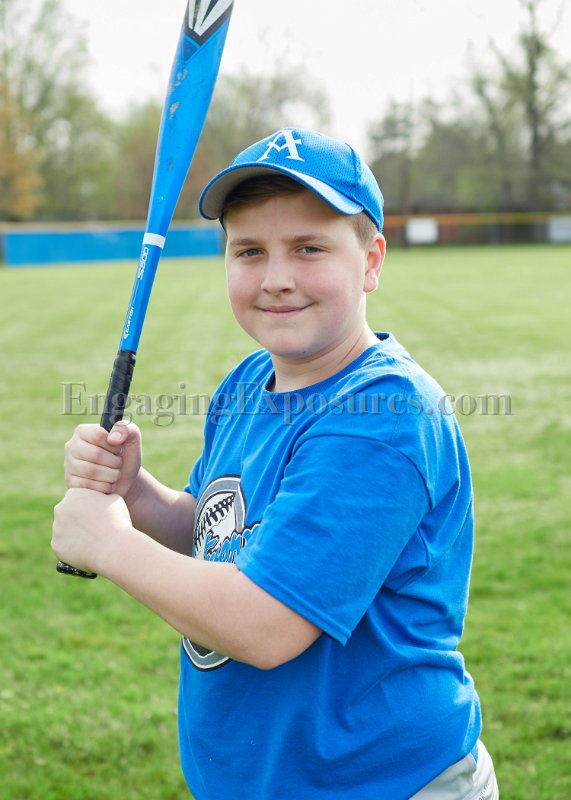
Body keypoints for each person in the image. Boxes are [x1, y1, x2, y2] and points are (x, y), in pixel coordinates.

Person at [52, 127, 499, 799]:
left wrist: (110, 546)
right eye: (249, 251)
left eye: (308, 248)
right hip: (272, 776)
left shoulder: (381, 416)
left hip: (379, 780)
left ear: (371, 260)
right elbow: (220, 535)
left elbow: (265, 626)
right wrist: (136, 496)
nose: (276, 278)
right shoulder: (247, 383)